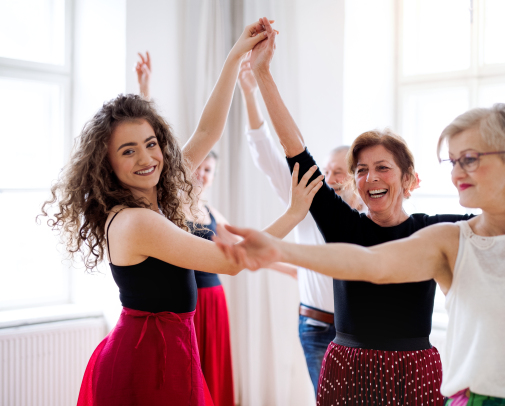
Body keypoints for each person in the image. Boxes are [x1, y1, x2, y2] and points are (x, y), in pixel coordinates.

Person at [215, 104, 505, 406]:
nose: (457, 172)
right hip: (448, 389)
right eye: (453, 161)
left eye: (470, 158)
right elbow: (371, 263)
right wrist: (280, 249)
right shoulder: (448, 238)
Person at [39, 19, 317, 406]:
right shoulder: (136, 221)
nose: (147, 158)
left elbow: (206, 133)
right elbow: (232, 261)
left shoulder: (153, 195)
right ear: (108, 165)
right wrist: (293, 212)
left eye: (151, 144)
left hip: (171, 348)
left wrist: (235, 55)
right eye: (128, 150)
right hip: (147, 359)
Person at [237, 17, 474, 405]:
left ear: (410, 180)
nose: (370, 177)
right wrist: (263, 73)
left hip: (414, 371)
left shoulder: (435, 230)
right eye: (361, 170)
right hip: (347, 367)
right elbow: (295, 149)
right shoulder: (344, 225)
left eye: (383, 167)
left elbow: (498, 223)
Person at [134, 54, 296, 406]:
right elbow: (154, 152)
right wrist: (144, 92)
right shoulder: (166, 206)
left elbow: (241, 248)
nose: (202, 174)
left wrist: (295, 270)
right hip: (186, 306)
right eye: (199, 167)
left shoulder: (210, 211)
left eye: (209, 171)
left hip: (212, 299)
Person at [238, 60, 363, 395]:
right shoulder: (308, 202)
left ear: (357, 176)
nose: (331, 177)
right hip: (318, 327)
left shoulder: (370, 219)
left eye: (340, 171)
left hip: (363, 331)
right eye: (327, 169)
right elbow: (266, 155)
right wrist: (250, 93)